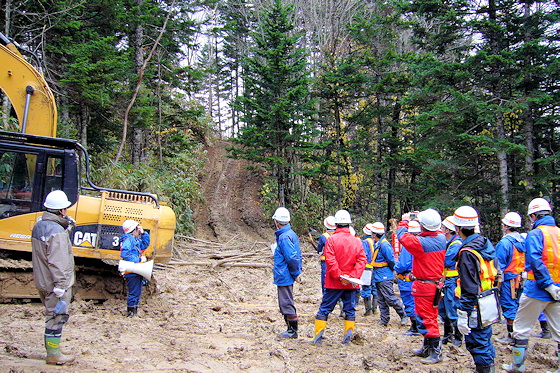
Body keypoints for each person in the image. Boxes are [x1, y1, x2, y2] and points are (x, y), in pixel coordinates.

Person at [503, 198, 560, 373]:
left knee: (521, 328)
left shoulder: (536, 234)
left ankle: (517, 366)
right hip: (558, 290)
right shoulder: (558, 232)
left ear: (533, 216)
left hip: (537, 289)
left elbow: (535, 260)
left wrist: (547, 284)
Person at [31, 190, 76, 365]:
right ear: (61, 210)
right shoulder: (56, 232)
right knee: (56, 316)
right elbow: (59, 261)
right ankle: (53, 354)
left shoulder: (40, 225)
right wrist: (61, 285)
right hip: (55, 283)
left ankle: (53, 350)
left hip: (43, 280)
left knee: (52, 314)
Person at [397, 209, 446, 364]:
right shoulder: (441, 238)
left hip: (425, 286)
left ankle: (435, 352)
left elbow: (402, 236)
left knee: (427, 318)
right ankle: (427, 348)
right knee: (427, 316)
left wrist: (405, 221)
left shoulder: (420, 243)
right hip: (433, 285)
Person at [310, 209, 366, 345]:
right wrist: (351, 277)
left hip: (334, 283)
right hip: (351, 283)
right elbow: (362, 260)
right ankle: (347, 337)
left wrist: (339, 276)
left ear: (336, 224)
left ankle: (318, 337)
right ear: (349, 224)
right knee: (350, 309)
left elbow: (330, 260)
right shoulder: (357, 241)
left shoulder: (331, 240)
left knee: (325, 308)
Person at [452, 206, 497, 373]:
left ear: (458, 228)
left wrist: (463, 313)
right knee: (485, 340)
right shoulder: (484, 243)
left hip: (475, 305)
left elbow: (469, 288)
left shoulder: (467, 252)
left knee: (477, 343)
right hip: (488, 299)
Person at [495, 212, 525, 345]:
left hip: (509, 280)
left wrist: (497, 280)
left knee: (508, 305)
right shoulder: (523, 241)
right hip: (521, 278)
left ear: (506, 226)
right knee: (517, 305)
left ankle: (512, 335)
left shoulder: (505, 243)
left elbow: (499, 263)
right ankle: (517, 333)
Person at [271, 207, 302, 339]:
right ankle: (290, 329)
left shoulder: (284, 237)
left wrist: (295, 273)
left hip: (285, 274)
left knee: (285, 302)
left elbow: (291, 257)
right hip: (285, 272)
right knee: (285, 301)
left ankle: (292, 331)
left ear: (277, 221)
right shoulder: (288, 234)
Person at [370, 222, 408, 328]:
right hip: (378, 275)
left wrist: (393, 271)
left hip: (385, 275)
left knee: (390, 297)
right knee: (381, 299)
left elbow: (391, 260)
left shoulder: (384, 245)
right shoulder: (377, 243)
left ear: (374, 234)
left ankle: (403, 315)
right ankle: (384, 319)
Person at [439, 216, 463, 347]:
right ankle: (447, 334)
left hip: (452, 281)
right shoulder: (449, 243)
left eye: (443, 228)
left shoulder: (456, 244)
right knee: (443, 309)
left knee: (452, 308)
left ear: (448, 229)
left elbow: (446, 261)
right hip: (445, 280)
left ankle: (458, 336)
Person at [394, 220, 421, 336]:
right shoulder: (423, 242)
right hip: (417, 278)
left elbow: (403, 264)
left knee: (409, 302)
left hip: (407, 279)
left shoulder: (408, 246)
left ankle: (415, 327)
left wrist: (396, 265)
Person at [120, 219, 151, 317]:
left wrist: (144, 233)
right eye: (138, 228)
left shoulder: (134, 239)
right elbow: (125, 253)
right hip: (131, 270)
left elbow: (145, 244)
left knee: (137, 292)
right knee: (134, 292)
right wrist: (138, 260)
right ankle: (131, 312)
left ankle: (133, 311)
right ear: (134, 229)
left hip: (135, 270)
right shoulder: (129, 240)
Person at [317, 216, 336, 294]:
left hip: (325, 262)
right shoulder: (338, 235)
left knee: (325, 279)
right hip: (336, 261)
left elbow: (319, 249)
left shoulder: (323, 236)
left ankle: (325, 296)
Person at [360, 223, 376, 316]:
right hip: (375, 267)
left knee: (366, 288)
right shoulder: (376, 241)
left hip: (367, 267)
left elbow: (364, 255)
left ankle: (368, 310)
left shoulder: (365, 242)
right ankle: (375, 309)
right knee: (374, 288)